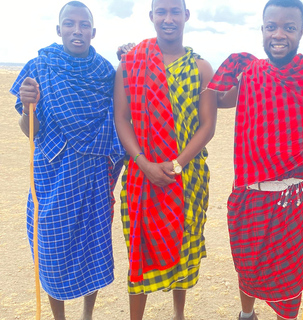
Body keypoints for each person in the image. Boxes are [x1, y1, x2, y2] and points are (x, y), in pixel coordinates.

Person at [208, 0, 303, 319]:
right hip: (249, 194)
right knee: (247, 267)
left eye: (289, 28)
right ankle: (246, 315)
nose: (279, 34)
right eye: (272, 26)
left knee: (289, 284)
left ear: (301, 32)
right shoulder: (246, 70)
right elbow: (213, 99)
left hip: (296, 199)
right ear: (262, 29)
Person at [9, 1, 124, 319]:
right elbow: (30, 131)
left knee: (92, 248)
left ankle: (87, 314)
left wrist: (129, 60)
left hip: (92, 177)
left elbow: (122, 116)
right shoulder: (38, 68)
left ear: (93, 31)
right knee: (49, 250)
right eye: (70, 24)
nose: (77, 30)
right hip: (52, 178)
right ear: (58, 29)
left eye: (84, 24)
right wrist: (28, 104)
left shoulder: (105, 73)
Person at [113, 0, 217, 319]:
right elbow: (122, 119)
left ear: (186, 16)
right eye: (162, 11)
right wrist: (143, 163)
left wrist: (177, 164)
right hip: (141, 177)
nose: (168, 18)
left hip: (187, 176)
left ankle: (178, 313)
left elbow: (208, 125)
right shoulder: (131, 64)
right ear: (152, 17)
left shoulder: (201, 67)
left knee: (184, 243)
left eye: (175, 11)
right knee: (140, 251)